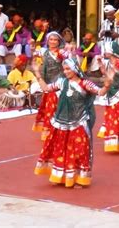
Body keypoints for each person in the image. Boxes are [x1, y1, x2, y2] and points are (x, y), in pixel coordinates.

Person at [32, 58, 113, 188]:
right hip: (62, 121)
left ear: (75, 69)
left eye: (68, 69)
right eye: (64, 69)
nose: (66, 72)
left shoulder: (85, 84)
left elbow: (100, 92)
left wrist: (107, 82)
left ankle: (79, 178)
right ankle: (60, 176)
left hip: (79, 121)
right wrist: (37, 73)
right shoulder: (62, 82)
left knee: (79, 150)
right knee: (60, 148)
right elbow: (46, 88)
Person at [32, 32, 69, 140]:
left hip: (59, 83)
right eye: (51, 39)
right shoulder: (44, 51)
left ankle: (59, 132)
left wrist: (69, 51)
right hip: (47, 83)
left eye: (55, 40)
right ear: (47, 41)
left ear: (59, 42)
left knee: (57, 108)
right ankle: (50, 132)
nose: (52, 42)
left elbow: (68, 58)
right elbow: (34, 54)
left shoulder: (61, 52)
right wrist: (32, 47)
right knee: (49, 108)